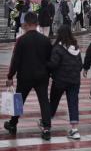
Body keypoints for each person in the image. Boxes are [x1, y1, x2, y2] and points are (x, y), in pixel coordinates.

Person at [4, 12, 53, 140]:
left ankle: (13, 124)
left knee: (19, 101)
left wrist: (10, 76)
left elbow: (15, 60)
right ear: (37, 24)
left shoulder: (21, 40)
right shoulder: (45, 40)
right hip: (42, 76)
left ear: (26, 24)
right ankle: (47, 128)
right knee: (44, 102)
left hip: (25, 76)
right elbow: (50, 60)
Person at [47, 25, 83, 140]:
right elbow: (80, 65)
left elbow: (53, 64)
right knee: (73, 103)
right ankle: (74, 129)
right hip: (74, 81)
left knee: (53, 101)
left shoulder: (58, 48)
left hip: (60, 81)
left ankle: (46, 122)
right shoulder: (76, 48)